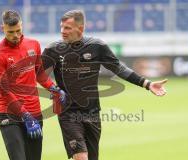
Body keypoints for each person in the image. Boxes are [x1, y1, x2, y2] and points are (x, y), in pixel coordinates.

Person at [41, 10, 167, 160]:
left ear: (80, 28)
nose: (63, 31)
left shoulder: (97, 46)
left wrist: (147, 84)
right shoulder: (53, 49)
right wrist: (53, 89)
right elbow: (38, 74)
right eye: (61, 27)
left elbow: (119, 68)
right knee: (81, 157)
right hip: (68, 112)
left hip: (92, 112)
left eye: (67, 28)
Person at [0, 10, 65, 160]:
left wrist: (54, 88)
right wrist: (25, 115)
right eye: (11, 32)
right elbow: (5, 91)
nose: (15, 35)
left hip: (35, 113)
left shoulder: (33, 45)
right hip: (10, 114)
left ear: (22, 25)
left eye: (18, 30)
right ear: (2, 28)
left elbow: (39, 73)